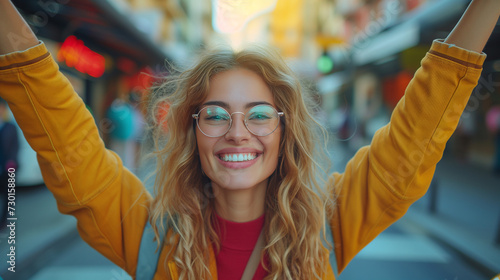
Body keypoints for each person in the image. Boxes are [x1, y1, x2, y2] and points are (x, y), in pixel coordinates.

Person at [0, 0, 499, 279]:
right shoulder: (149, 234)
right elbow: (67, 142)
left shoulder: (328, 228)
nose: (237, 131)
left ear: (285, 132)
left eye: (259, 114)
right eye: (215, 114)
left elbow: (411, 141)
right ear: (192, 130)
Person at [0, 97, 19, 228]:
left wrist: (12, 161)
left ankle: (5, 220)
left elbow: (16, 146)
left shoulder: (10, 126)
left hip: (8, 167)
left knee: (8, 195)